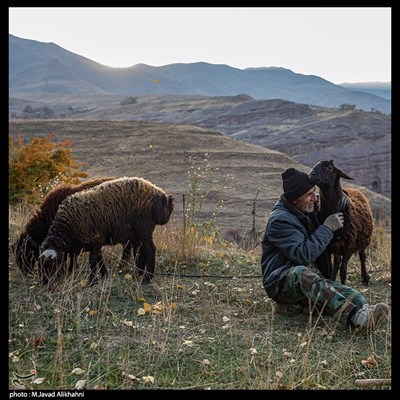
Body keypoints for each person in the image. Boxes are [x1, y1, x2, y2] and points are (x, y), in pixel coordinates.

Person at [260, 167, 390, 334]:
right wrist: (327, 228)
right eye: (308, 194)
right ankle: (355, 319)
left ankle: (365, 312)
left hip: (312, 279)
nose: (314, 198)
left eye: (314, 192)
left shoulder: (305, 211)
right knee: (301, 272)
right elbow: (303, 254)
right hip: (281, 282)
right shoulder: (280, 221)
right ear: (294, 200)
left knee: (355, 297)